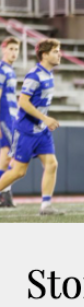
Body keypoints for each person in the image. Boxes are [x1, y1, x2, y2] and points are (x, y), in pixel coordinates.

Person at [0, 39, 62, 215]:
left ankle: (46, 205)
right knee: (18, 171)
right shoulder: (34, 75)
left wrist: (44, 121)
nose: (59, 54)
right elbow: (23, 102)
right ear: (44, 54)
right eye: (56, 51)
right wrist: (45, 118)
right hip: (25, 130)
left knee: (52, 164)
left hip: (41, 130)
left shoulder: (49, 74)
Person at [0, 36, 20, 207]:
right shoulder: (1, 69)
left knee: (8, 154)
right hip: (4, 115)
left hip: (12, 116)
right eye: (11, 49)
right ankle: (4, 193)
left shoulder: (10, 70)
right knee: (6, 154)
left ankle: (5, 192)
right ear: (3, 49)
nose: (14, 53)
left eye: (16, 49)